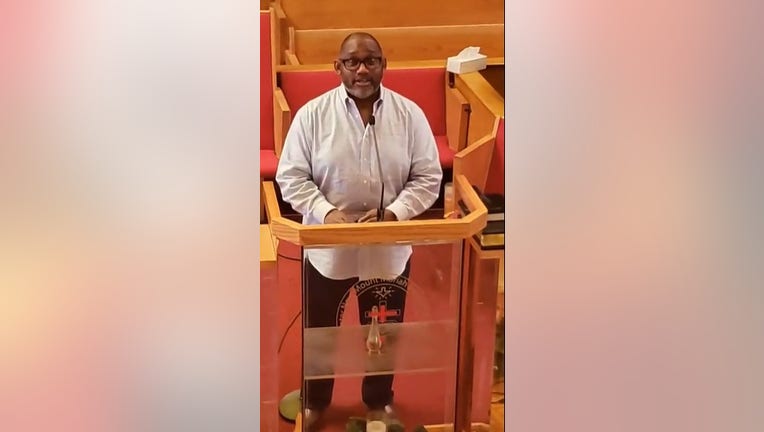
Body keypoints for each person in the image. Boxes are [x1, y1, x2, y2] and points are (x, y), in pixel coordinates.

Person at [275, 32, 442, 430]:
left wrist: (395, 214)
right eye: (352, 62)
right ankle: (316, 400)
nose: (362, 69)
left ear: (384, 65)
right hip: (328, 247)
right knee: (322, 330)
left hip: (386, 247)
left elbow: (428, 177)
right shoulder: (312, 116)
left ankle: (378, 400)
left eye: (371, 61)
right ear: (338, 67)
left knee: (383, 328)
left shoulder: (409, 115)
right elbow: (291, 176)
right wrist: (327, 214)